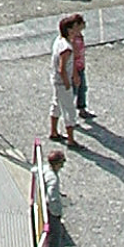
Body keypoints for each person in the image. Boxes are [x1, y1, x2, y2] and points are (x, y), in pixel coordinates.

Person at [49, 14, 80, 148]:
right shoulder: (66, 47)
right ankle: (71, 139)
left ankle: (54, 131)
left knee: (56, 105)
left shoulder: (59, 40)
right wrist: (68, 83)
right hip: (62, 82)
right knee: (69, 110)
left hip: (55, 79)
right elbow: (63, 68)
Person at [42, 148, 67, 247]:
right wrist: (57, 213)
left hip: (46, 210)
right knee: (54, 242)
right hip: (51, 214)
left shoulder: (45, 169)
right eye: (62, 162)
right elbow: (52, 197)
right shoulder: (53, 179)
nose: (63, 164)